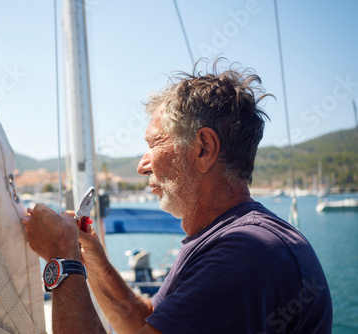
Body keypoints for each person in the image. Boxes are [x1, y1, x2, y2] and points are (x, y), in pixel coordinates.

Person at [24, 60, 332, 334]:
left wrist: (61, 259)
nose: (141, 165)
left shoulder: (244, 254)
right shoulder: (222, 239)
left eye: (154, 144)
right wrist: (88, 257)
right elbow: (145, 321)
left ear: (203, 148)